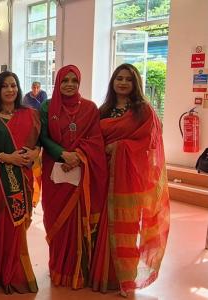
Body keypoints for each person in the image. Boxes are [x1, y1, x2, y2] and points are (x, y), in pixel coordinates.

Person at [93, 64, 170, 297]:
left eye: (128, 79)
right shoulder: (104, 110)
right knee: (100, 225)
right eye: (119, 78)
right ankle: (100, 276)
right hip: (103, 175)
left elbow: (152, 141)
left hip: (129, 178)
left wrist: (121, 146)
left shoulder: (143, 111)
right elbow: (93, 138)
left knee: (125, 228)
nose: (123, 83)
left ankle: (125, 280)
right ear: (113, 82)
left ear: (135, 83)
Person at [39, 65, 108, 289]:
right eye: (64, 81)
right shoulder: (47, 107)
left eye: (74, 81)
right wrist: (62, 154)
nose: (69, 84)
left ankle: (78, 271)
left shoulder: (90, 108)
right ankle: (58, 268)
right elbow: (43, 137)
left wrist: (78, 156)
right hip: (55, 174)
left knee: (78, 222)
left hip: (81, 173)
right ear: (58, 83)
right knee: (55, 219)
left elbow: (95, 139)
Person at [0, 71, 40, 294]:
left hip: (22, 178)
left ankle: (18, 274)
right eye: (5, 86)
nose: (10, 90)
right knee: (3, 228)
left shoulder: (29, 114)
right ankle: (3, 274)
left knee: (18, 229)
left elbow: (39, 143)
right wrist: (7, 157)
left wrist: (35, 153)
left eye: (14, 85)